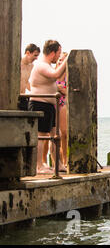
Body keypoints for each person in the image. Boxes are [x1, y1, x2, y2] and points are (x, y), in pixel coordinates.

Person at [29, 40, 69, 174]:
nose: (59, 56)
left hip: (50, 105)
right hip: (40, 104)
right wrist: (67, 60)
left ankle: (58, 164)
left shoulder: (47, 66)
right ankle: (39, 166)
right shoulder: (41, 66)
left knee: (54, 135)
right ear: (52, 52)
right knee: (41, 136)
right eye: (58, 53)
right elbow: (55, 75)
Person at [55, 52, 68, 169]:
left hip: (63, 103)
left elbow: (68, 92)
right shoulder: (52, 74)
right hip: (52, 104)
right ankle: (45, 161)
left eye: (62, 60)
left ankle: (65, 159)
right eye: (59, 60)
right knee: (52, 134)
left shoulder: (68, 75)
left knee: (64, 133)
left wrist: (61, 90)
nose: (60, 62)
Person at [19, 44, 40, 110]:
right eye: (35, 55)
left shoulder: (31, 66)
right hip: (12, 96)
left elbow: (25, 81)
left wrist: (37, 91)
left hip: (23, 96)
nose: (36, 58)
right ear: (28, 53)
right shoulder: (17, 63)